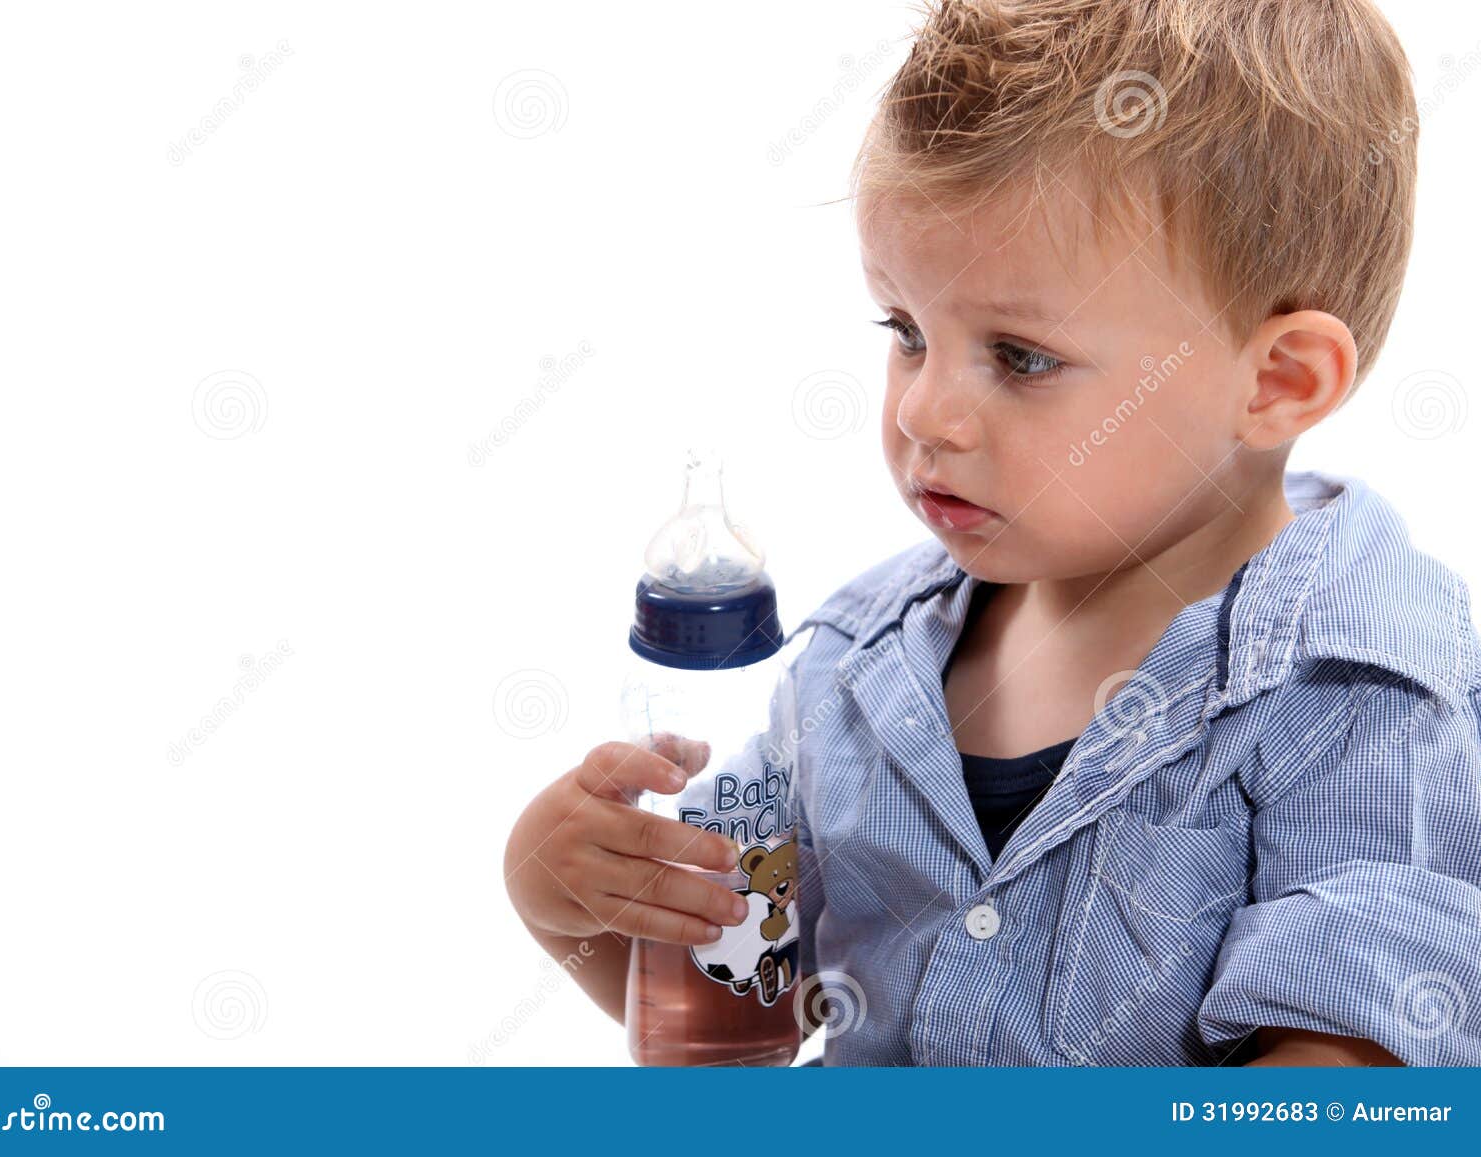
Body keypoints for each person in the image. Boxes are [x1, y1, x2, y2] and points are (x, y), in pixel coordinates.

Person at [504, 0, 1481, 1065]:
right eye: (908, 332)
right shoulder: (851, 671)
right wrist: (575, 901)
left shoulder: (1362, 698)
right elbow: (740, 1018)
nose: (924, 411)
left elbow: (1346, 1079)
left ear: (1276, 381)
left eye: (1019, 356)